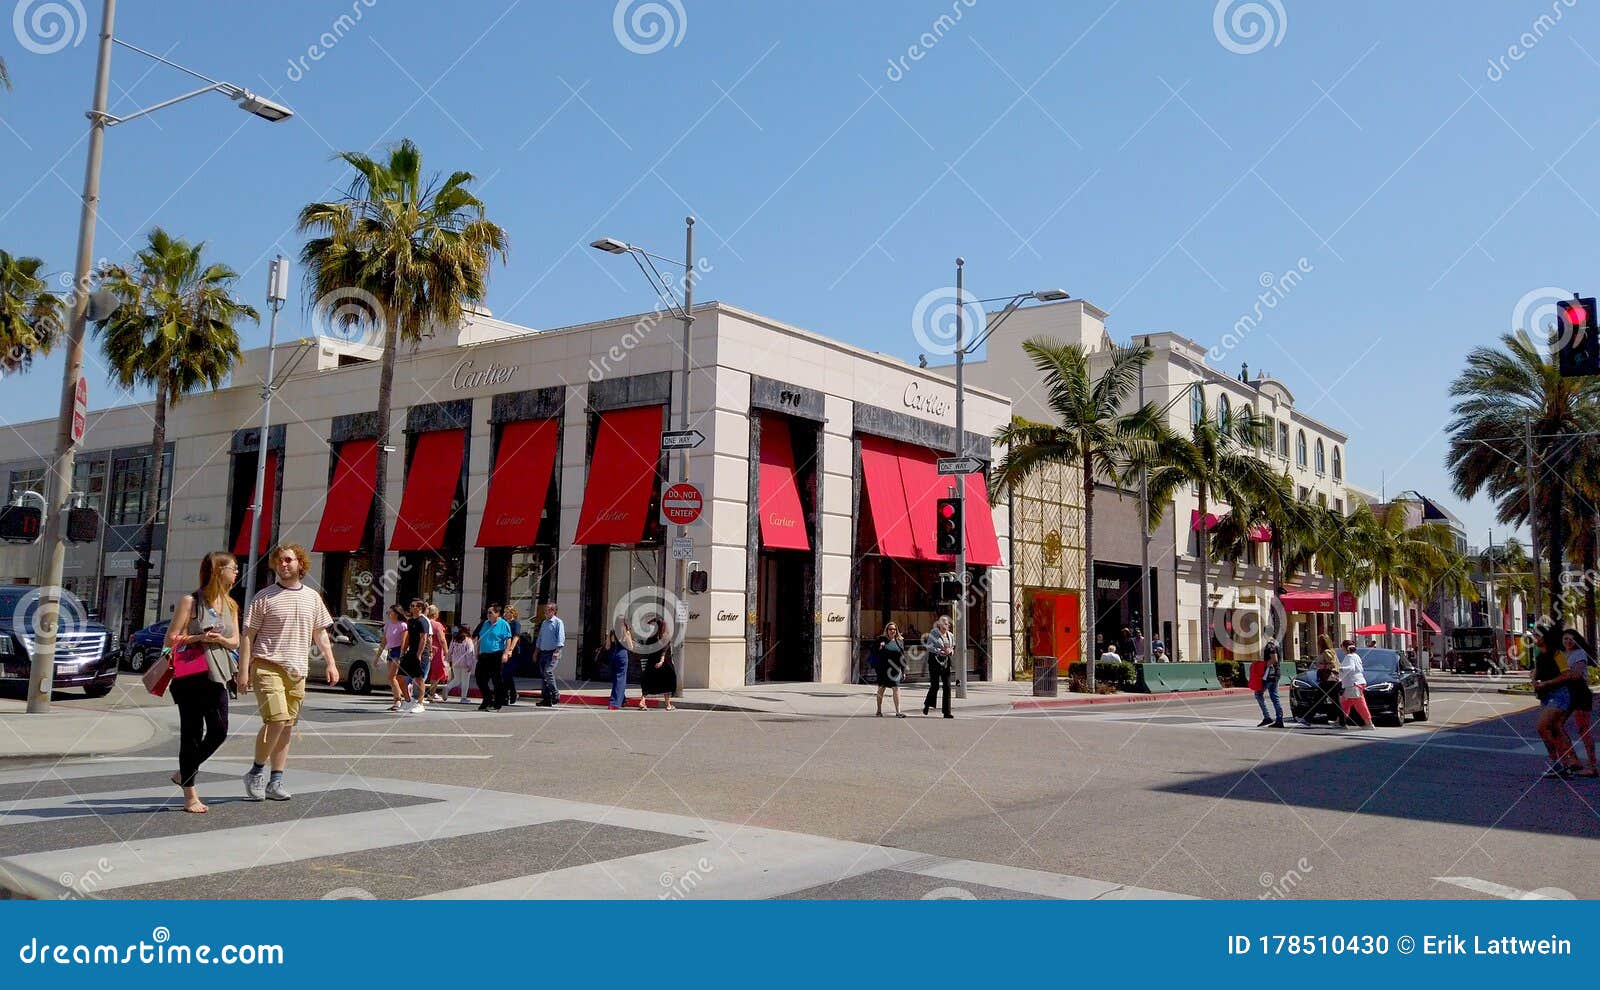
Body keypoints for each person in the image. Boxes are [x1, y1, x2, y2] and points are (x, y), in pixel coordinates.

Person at [239, 544, 338, 801]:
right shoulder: (263, 597)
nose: (283, 565)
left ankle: (276, 781)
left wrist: (330, 662)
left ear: (300, 564)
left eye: (288, 560)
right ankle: (256, 772)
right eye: (279, 561)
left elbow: (321, 633)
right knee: (277, 720)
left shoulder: (313, 597)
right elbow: (248, 636)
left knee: (286, 726)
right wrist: (243, 670)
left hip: (297, 670)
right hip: (267, 665)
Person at [166, 551, 240, 813]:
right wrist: (200, 638)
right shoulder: (191, 601)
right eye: (233, 568)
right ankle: (190, 795)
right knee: (192, 734)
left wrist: (220, 640)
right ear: (218, 570)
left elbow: (235, 641)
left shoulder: (231, 605)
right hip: (191, 676)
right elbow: (171, 639)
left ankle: (183, 772)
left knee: (219, 731)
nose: (236, 572)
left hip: (218, 675)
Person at [1533, 631, 1582, 779]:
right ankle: (1563, 764)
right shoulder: (1539, 655)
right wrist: (1535, 682)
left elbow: (1566, 674)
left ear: (1545, 638)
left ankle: (1557, 762)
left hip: (1559, 694)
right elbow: (1537, 673)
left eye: (1537, 636)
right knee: (1555, 730)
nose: (1534, 638)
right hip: (1546, 695)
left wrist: (1547, 683)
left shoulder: (1557, 654)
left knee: (1542, 727)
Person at [1562, 629, 1596, 778]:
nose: (1568, 642)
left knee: (1584, 730)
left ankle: (1592, 766)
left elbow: (1576, 674)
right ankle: (1574, 759)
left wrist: (1558, 676)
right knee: (1557, 725)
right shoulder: (1562, 655)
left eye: (1571, 639)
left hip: (1580, 693)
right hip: (1567, 694)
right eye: (1565, 639)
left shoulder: (1580, 653)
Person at [474, 603, 514, 712]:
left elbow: (508, 639)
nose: (488, 614)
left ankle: (497, 703)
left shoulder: (503, 624)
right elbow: (480, 638)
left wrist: (506, 653)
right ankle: (487, 699)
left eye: (490, 613)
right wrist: (477, 651)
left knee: (496, 680)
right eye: (487, 612)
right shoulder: (485, 623)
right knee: (480, 678)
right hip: (484, 654)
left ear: (497, 613)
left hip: (496, 654)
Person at [397, 599, 432, 714]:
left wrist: (419, 654)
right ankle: (407, 700)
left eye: (413, 606)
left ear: (420, 608)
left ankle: (420, 703)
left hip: (421, 653)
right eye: (411, 605)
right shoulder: (411, 621)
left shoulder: (423, 621)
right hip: (410, 652)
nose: (411, 607)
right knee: (400, 677)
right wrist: (403, 650)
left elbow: (424, 638)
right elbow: (408, 637)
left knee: (419, 678)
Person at [638, 614, 678, 710]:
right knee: (668, 682)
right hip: (664, 664)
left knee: (648, 682)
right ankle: (668, 705)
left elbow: (645, 649)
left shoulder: (651, 638)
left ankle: (642, 701)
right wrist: (661, 661)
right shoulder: (665, 637)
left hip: (651, 663)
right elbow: (664, 650)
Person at [871, 622, 907, 718]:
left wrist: (903, 671)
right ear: (887, 630)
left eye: (894, 629)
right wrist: (880, 647)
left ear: (896, 631)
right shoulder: (881, 640)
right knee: (881, 689)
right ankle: (878, 710)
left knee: (896, 688)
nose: (892, 631)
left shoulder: (899, 641)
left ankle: (898, 712)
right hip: (883, 669)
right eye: (890, 629)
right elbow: (874, 652)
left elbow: (902, 657)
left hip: (895, 669)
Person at [923, 615, 955, 718]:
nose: (948, 625)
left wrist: (951, 651)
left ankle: (947, 712)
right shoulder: (934, 633)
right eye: (945, 623)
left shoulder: (950, 635)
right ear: (940, 625)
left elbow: (952, 646)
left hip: (946, 662)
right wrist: (939, 651)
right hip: (935, 661)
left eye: (948, 623)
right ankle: (927, 704)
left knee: (947, 686)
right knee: (935, 686)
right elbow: (929, 646)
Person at [1339, 639, 1375, 729]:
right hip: (1359, 682)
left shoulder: (1349, 657)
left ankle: (1369, 723)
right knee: (1345, 703)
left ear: (1345, 648)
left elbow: (1350, 668)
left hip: (1353, 684)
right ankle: (1340, 721)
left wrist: (1340, 668)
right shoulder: (1356, 656)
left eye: (1342, 647)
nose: (1342, 649)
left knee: (1359, 704)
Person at [535, 601, 565, 707]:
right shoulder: (544, 623)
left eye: (547, 610)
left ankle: (555, 693)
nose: (545, 612)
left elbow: (561, 638)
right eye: (545, 611)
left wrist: (557, 651)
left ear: (553, 611)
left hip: (553, 652)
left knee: (548, 671)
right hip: (543, 652)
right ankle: (546, 699)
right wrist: (536, 651)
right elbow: (540, 638)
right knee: (544, 675)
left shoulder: (558, 622)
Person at [382, 604, 408, 710]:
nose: (389, 613)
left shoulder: (403, 625)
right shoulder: (388, 625)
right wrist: (377, 656)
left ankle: (398, 700)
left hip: (398, 652)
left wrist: (402, 655)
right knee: (392, 678)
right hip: (390, 651)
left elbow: (404, 642)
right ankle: (397, 699)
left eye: (391, 611)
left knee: (391, 677)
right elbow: (384, 641)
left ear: (396, 613)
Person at [1254, 639, 1284, 728]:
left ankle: (1267, 717)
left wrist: (1264, 665)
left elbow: (1274, 659)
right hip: (1275, 673)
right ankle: (1279, 719)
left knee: (1259, 694)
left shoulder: (1270, 646)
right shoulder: (1276, 644)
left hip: (1270, 674)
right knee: (1274, 696)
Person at [444, 625, 476, 703]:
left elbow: (450, 650)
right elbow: (470, 653)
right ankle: (463, 698)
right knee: (465, 681)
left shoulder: (454, 640)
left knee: (457, 679)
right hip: (465, 663)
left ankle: (448, 687)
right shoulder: (468, 640)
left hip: (455, 662)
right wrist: (470, 664)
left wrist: (448, 659)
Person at [425, 604, 449, 703]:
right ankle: (431, 694)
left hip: (425, 649)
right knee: (436, 673)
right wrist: (447, 652)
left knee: (425, 672)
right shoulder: (437, 625)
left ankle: (421, 693)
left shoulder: (425, 622)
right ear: (435, 614)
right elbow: (442, 639)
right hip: (436, 650)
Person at [606, 627, 633, 710]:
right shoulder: (626, 632)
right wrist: (627, 634)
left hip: (613, 656)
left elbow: (607, 646)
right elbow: (630, 647)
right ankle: (614, 703)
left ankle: (623, 699)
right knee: (620, 679)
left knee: (616, 679)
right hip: (622, 656)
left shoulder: (612, 632)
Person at [506, 630, 535, 706]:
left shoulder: (516, 624)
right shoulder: (504, 623)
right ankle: (508, 695)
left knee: (507, 674)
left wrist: (510, 650)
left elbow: (515, 637)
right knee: (504, 675)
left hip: (512, 653)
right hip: (503, 651)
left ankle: (512, 694)